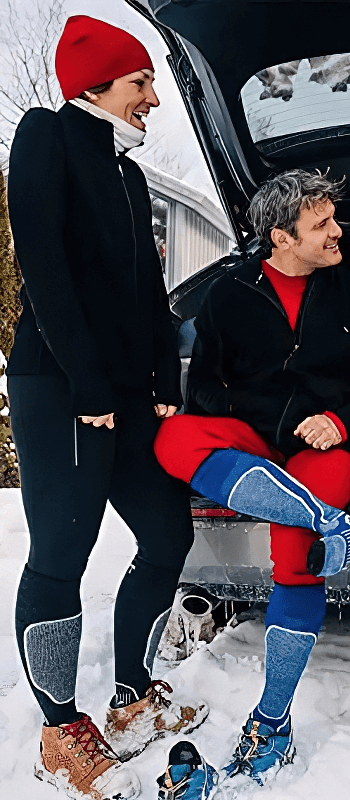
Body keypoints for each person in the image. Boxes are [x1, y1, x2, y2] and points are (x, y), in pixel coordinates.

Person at [152, 168, 350, 793]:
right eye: (321, 224)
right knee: (172, 439)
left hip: (330, 446)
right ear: (281, 237)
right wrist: (256, 417)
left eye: (332, 219)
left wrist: (341, 422)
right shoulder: (229, 294)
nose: (337, 231)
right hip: (259, 439)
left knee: (293, 553)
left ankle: (271, 723)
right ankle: (332, 525)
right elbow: (203, 385)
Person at [6, 15, 208, 800]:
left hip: (123, 394)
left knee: (167, 531)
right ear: (95, 85)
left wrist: (161, 380)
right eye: (141, 82)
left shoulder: (128, 176)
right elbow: (44, 266)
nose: (153, 98)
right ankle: (61, 735)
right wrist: (87, 382)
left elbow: (148, 292)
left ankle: (131, 699)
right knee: (62, 550)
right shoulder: (46, 136)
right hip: (60, 385)